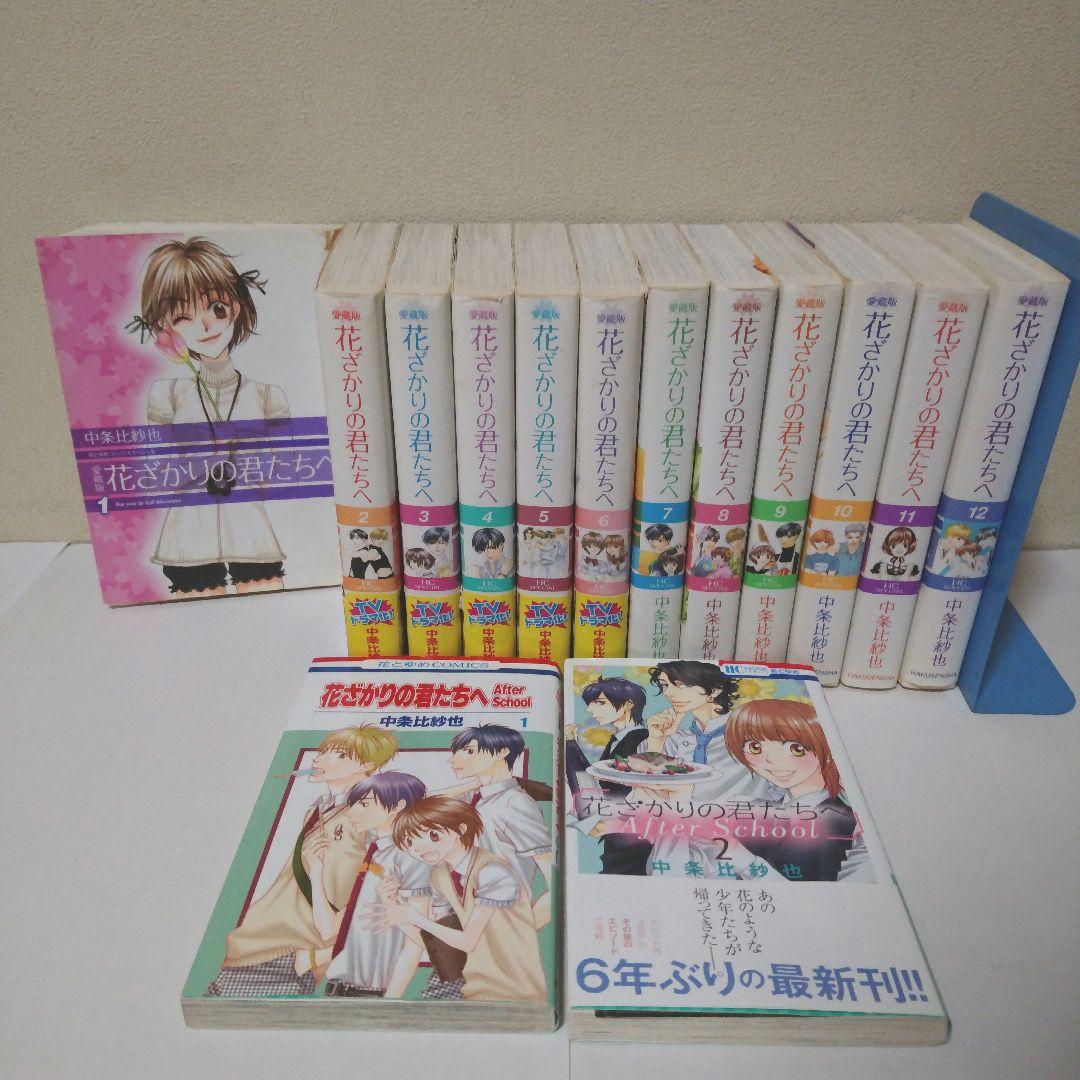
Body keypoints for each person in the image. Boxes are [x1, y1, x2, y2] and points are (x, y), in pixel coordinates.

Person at [128, 237, 289, 597]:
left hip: (249, 527)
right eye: (183, 317)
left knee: (266, 604)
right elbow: (155, 469)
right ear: (164, 328)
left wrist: (243, 463)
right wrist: (204, 460)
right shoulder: (168, 394)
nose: (204, 326)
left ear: (237, 306)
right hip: (189, 531)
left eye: (217, 308)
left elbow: (285, 468)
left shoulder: (267, 396)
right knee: (198, 614)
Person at [207, 726, 398, 996]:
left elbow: (385, 878)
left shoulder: (371, 813)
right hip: (260, 939)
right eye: (322, 751)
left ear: (366, 765)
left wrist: (325, 950)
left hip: (297, 948)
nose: (319, 759)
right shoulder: (317, 809)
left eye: (339, 755)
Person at [365, 797, 547, 1003]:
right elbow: (442, 948)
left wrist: (413, 917)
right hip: (470, 989)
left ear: (461, 829)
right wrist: (393, 908)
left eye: (433, 835)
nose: (419, 848)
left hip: (514, 992)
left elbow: (468, 942)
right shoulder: (440, 875)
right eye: (409, 842)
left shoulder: (491, 871)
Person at [303, 771, 430, 998]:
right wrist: (316, 873)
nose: (352, 812)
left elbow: (416, 942)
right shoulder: (375, 856)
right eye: (353, 804)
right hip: (338, 988)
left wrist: (390, 1003)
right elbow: (329, 930)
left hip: (370, 994)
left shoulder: (411, 857)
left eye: (364, 804)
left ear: (398, 806)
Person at [723, 698, 859, 882]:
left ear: (828, 751)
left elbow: (819, 892)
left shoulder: (838, 821)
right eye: (755, 747)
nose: (772, 761)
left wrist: (739, 856)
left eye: (796, 749)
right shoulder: (758, 810)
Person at [444, 725, 553, 928]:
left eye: (469, 751)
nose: (453, 760)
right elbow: (421, 805)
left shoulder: (515, 803)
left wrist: (522, 934)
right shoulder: (475, 797)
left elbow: (553, 881)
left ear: (502, 752)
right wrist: (477, 783)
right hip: (469, 916)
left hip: (500, 922)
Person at [645, 661, 781, 805]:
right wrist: (656, 740)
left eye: (682, 684)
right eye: (665, 685)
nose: (668, 693)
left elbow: (785, 789)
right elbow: (649, 791)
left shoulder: (755, 734)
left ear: (716, 689)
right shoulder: (673, 738)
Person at [565, 677, 653, 876]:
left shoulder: (642, 741)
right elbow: (594, 782)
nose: (590, 709)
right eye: (590, 703)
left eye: (600, 702)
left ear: (628, 704)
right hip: (617, 835)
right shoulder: (620, 739)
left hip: (634, 837)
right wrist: (571, 745)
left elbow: (646, 795)